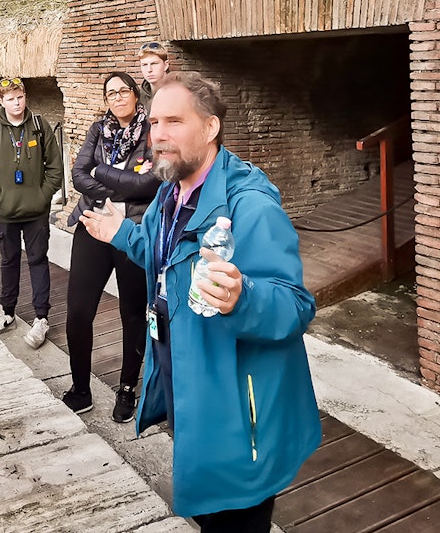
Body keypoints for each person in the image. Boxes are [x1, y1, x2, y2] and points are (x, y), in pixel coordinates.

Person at [79, 72, 321, 531]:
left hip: (239, 413)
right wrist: (121, 233)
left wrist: (242, 297)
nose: (159, 136)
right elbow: (164, 253)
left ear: (210, 128)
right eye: (153, 123)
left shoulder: (250, 205)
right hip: (190, 391)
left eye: (174, 121)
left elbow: (294, 305)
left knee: (234, 519)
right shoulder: (172, 192)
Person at [62, 71, 158, 421]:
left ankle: (128, 389)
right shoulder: (97, 130)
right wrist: (119, 187)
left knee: (132, 313)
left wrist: (102, 173)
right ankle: (80, 388)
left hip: (131, 230)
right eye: (110, 93)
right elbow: (78, 174)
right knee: (78, 310)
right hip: (92, 224)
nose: (117, 97)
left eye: (123, 91)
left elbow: (149, 183)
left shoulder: (152, 131)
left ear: (135, 94)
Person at [0, 78, 63, 348]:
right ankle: (7, 312)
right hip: (4, 212)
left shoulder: (39, 126)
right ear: (1, 102)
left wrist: (43, 196)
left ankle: (41, 317)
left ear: (25, 96)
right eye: (10, 99)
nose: (17, 103)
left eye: (20, 97)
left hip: (36, 212)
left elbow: (55, 166)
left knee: (38, 261)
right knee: (8, 261)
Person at [137, 41, 170, 106]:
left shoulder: (181, 92)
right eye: (144, 65)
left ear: (166, 65)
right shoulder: (138, 98)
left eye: (154, 64)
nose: (149, 70)